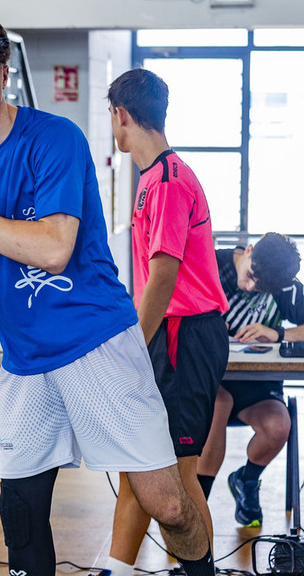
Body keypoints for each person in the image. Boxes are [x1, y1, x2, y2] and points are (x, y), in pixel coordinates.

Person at [0, 15, 214, 576]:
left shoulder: (54, 138)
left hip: (97, 342)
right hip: (26, 361)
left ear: (5, 74)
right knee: (21, 509)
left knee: (169, 504)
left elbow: (55, 247)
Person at [106, 67, 229, 576]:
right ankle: (115, 568)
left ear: (122, 116)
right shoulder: (154, 178)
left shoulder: (169, 182)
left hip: (184, 335)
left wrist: (134, 345)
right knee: (140, 463)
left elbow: (162, 278)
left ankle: (202, 572)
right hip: (171, 334)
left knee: (177, 476)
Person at [197, 232, 304, 527]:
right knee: (219, 403)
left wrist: (280, 334)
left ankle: (246, 481)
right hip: (213, 380)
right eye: (250, 276)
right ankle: (195, 516)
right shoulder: (209, 264)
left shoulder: (281, 284)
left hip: (257, 385)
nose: (250, 287)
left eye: (260, 287)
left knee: (279, 426)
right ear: (248, 250)